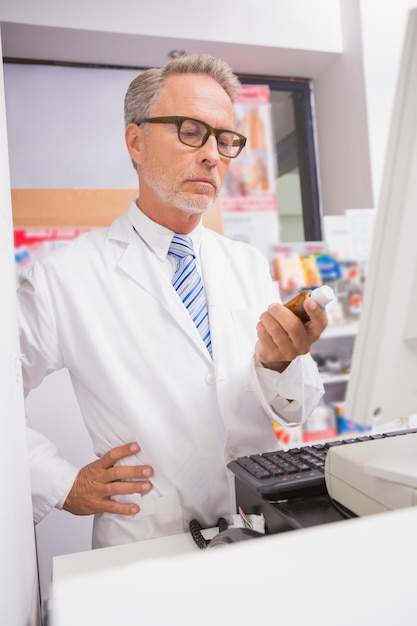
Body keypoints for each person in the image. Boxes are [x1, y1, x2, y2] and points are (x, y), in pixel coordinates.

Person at [18, 53, 327, 549]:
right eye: (190, 131)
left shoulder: (244, 264)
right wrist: (60, 483)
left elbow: (295, 408)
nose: (212, 155)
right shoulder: (65, 276)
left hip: (257, 527)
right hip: (147, 545)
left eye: (225, 140)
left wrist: (278, 362)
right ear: (135, 142)